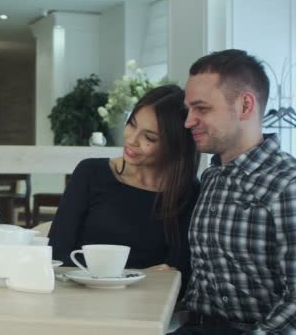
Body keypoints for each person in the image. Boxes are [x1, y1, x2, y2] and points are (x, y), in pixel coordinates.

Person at [172, 49, 296, 335]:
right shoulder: (212, 176)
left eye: (201, 108)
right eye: (188, 109)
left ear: (245, 106)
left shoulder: (289, 186)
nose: (188, 121)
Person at [49, 84, 200, 295]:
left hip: (148, 307)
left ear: (175, 146)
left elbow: (176, 273)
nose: (131, 139)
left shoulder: (188, 192)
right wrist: (131, 278)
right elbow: (57, 254)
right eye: (132, 124)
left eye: (149, 137)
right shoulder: (90, 173)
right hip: (79, 297)